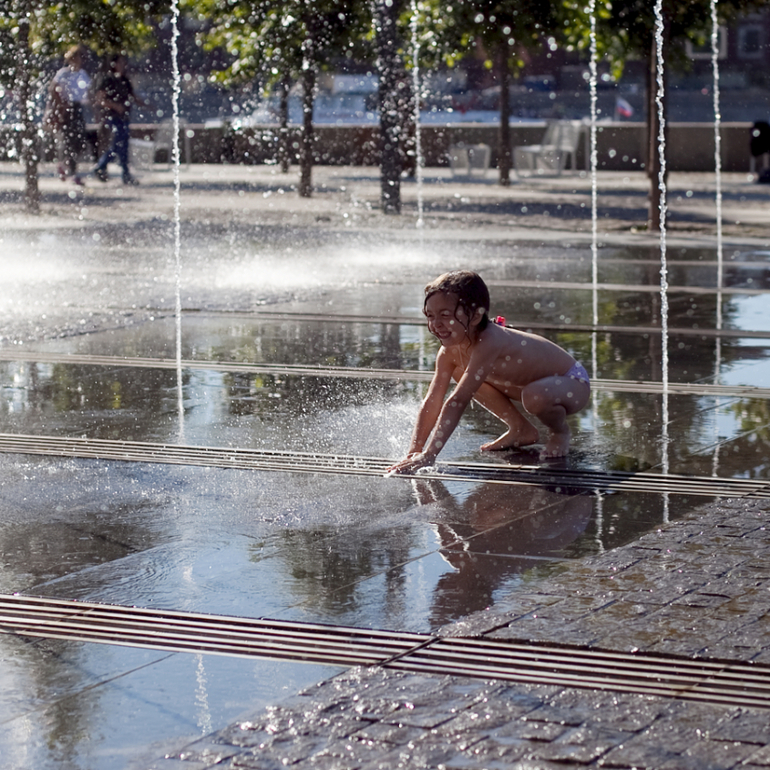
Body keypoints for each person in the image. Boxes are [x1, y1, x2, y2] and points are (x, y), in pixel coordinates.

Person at [387, 270, 590, 474]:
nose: (435, 324)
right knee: (461, 373)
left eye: (445, 315)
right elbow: (433, 399)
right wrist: (415, 451)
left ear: (475, 316)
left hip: (571, 382)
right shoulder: (449, 352)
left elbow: (457, 400)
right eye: (430, 316)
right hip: (527, 388)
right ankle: (520, 428)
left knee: (533, 396)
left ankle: (559, 432)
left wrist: (430, 454)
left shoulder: (490, 340)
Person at [91, 53, 147, 185]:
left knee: (122, 145)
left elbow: (133, 96)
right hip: (112, 117)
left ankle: (114, 170)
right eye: (120, 62)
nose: (123, 65)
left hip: (124, 118)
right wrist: (115, 106)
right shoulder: (108, 80)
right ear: (114, 64)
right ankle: (106, 166)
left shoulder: (125, 80)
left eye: (124, 62)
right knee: (119, 143)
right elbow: (100, 99)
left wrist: (147, 105)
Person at [45, 45, 91, 185]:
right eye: (76, 57)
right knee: (68, 139)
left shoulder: (82, 74)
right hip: (66, 108)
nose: (78, 60)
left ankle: (68, 166)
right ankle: (70, 170)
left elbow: (87, 94)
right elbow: (53, 89)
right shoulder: (63, 73)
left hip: (77, 107)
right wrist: (61, 105)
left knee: (79, 139)